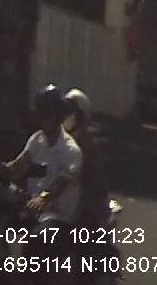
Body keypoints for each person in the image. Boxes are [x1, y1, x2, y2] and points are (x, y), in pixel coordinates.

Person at [6, 85, 83, 224]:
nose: (41, 118)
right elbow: (20, 163)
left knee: (40, 234)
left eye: (47, 113)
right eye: (39, 112)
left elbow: (61, 183)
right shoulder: (36, 139)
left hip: (57, 215)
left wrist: (43, 198)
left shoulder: (71, 150)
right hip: (33, 207)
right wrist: (1, 170)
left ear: (59, 117)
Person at [62, 88, 110, 228]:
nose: (65, 116)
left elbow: (93, 183)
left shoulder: (89, 146)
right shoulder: (59, 140)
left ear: (80, 117)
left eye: (70, 112)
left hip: (86, 210)